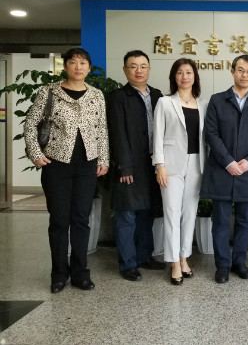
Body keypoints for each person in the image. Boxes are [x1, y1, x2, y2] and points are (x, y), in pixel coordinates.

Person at [24, 47, 109, 293]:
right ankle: (59, 274)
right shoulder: (49, 92)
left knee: (81, 219)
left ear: (89, 68)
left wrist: (104, 158)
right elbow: (31, 124)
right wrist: (35, 153)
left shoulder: (96, 95)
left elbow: (102, 129)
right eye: (73, 62)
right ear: (65, 66)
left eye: (83, 63)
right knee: (59, 220)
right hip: (56, 164)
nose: (78, 67)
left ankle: (81, 273)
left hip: (87, 165)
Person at [200, 55, 248, 283]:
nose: (244, 75)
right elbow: (211, 134)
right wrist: (228, 161)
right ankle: (222, 265)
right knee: (220, 221)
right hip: (222, 170)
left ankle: (239, 262)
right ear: (232, 72)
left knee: (244, 220)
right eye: (240, 70)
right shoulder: (217, 100)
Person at [107, 50, 165, 282]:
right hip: (129, 164)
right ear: (125, 70)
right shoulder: (118, 97)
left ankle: (144, 256)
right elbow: (117, 133)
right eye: (133, 66)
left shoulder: (158, 95)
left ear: (149, 69)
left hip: (152, 163)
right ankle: (128, 263)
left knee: (147, 213)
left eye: (143, 66)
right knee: (127, 214)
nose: (138, 71)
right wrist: (124, 166)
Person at [153, 58, 208, 285]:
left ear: (195, 76)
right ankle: (174, 262)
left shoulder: (203, 104)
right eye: (179, 72)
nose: (184, 76)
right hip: (171, 165)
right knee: (172, 213)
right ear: (174, 77)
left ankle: (184, 257)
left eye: (188, 72)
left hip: (196, 163)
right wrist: (160, 165)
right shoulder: (165, 102)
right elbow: (157, 135)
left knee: (189, 213)